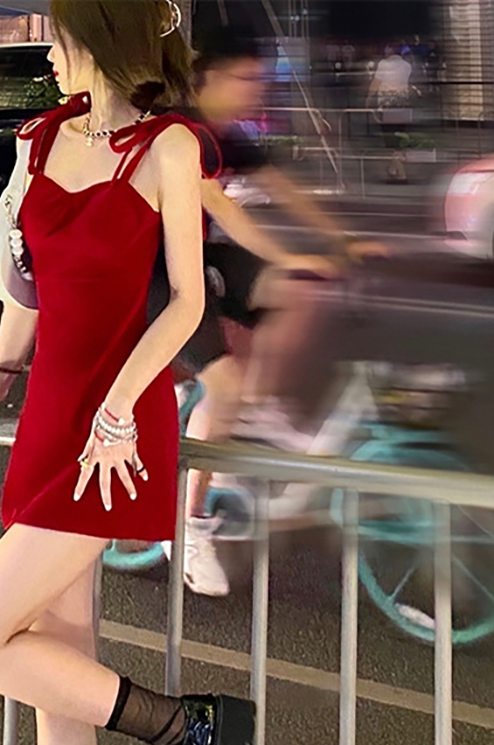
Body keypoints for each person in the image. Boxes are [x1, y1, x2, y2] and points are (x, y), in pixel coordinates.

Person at [0, 1, 255, 745]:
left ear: (102, 39)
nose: (47, 54)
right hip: (50, 416)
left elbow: (186, 302)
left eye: (59, 37)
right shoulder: (40, 139)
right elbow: (27, 286)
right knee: (59, 657)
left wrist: (116, 411)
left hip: (118, 427)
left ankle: (179, 725)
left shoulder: (167, 145)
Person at [164, 29, 386, 596]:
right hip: (157, 274)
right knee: (226, 386)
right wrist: (293, 254)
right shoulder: (179, 131)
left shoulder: (226, 135)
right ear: (210, 79)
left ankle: (255, 412)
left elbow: (284, 190)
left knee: (301, 288)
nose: (255, 91)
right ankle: (187, 529)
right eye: (246, 80)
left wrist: (341, 244)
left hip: (201, 257)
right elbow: (224, 209)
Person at [367, 42, 413, 183]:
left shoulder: (384, 64)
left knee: (391, 141)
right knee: (398, 139)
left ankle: (402, 175)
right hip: (403, 105)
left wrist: (369, 98)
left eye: (386, 46)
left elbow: (376, 83)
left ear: (391, 48)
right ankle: (392, 169)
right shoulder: (407, 66)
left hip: (387, 106)